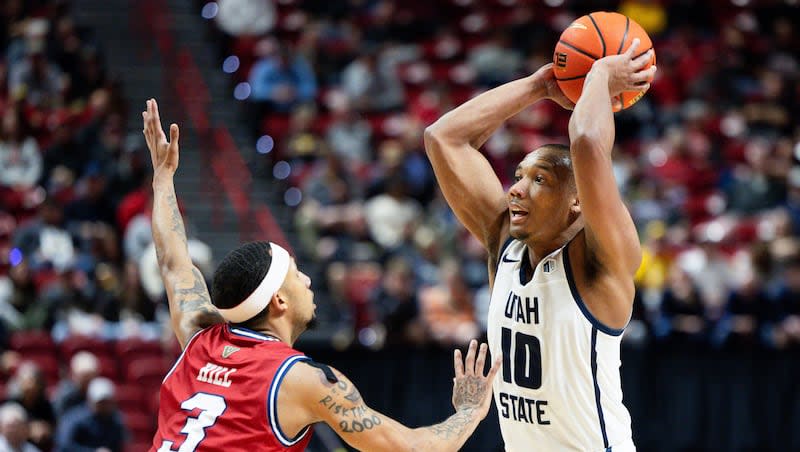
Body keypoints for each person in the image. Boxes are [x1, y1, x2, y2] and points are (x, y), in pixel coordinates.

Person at [141, 98, 500, 452]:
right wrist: (469, 412)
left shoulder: (198, 338)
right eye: (296, 274)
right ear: (278, 300)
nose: (308, 281)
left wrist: (163, 180)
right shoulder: (305, 380)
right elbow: (411, 449)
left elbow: (174, 262)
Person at [424, 39, 656, 451]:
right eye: (517, 176)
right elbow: (443, 138)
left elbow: (586, 141)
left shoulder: (600, 263)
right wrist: (539, 86)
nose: (515, 190)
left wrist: (600, 77)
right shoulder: (505, 247)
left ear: (577, 201)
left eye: (539, 180)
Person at [54, 377, 127, 452]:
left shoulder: (116, 421)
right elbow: (64, 445)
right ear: (90, 400)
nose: (104, 405)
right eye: (100, 402)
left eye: (106, 402)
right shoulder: (74, 418)